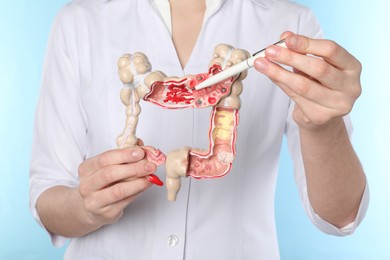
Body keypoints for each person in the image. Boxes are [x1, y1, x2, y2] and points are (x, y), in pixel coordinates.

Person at [29, 0, 369, 259]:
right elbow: (48, 195)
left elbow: (340, 217)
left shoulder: (289, 26)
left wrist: (323, 124)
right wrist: (85, 207)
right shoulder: (79, 23)